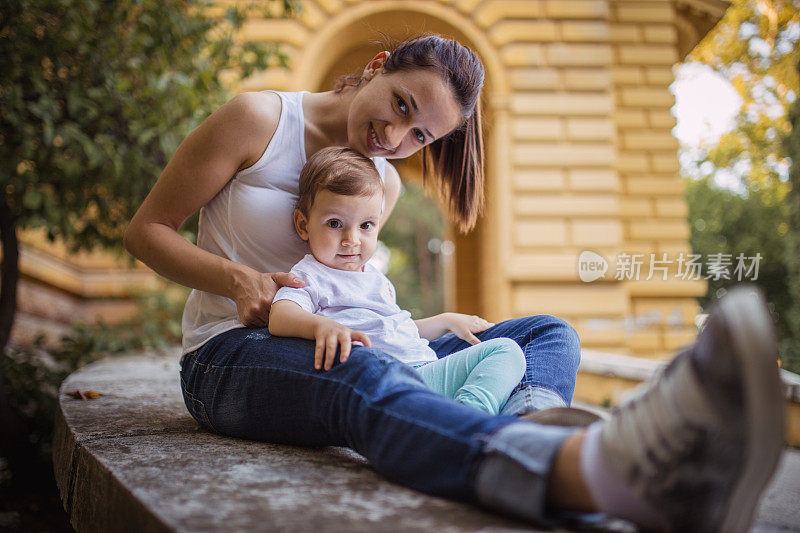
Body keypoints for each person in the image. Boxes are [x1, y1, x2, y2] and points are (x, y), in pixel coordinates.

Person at [125, 35, 785, 529]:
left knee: (542, 334)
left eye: (420, 135)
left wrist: (430, 326)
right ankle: (585, 470)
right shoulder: (258, 120)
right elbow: (146, 229)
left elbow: (358, 295)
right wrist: (236, 277)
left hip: (349, 340)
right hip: (227, 357)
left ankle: (527, 424)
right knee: (358, 370)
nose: (394, 136)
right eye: (401, 105)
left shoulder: (379, 181)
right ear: (380, 64)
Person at [268, 146, 526, 415]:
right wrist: (320, 326)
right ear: (303, 225)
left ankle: (464, 414)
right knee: (505, 351)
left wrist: (446, 321)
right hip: (391, 379)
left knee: (510, 353)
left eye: (366, 225)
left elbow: (393, 330)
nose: (351, 239)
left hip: (423, 371)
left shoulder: (376, 279)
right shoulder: (310, 274)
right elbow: (280, 315)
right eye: (335, 223)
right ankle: (470, 419)